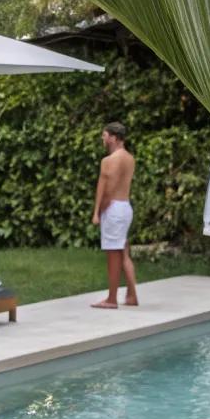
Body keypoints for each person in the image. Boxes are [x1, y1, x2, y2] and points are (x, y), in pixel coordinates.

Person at [91, 121, 138, 309]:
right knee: (123, 251)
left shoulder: (109, 160)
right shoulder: (129, 158)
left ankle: (111, 299)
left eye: (104, 135)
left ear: (113, 137)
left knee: (113, 254)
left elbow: (108, 190)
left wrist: (98, 212)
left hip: (114, 209)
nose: (103, 139)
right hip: (125, 207)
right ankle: (132, 295)